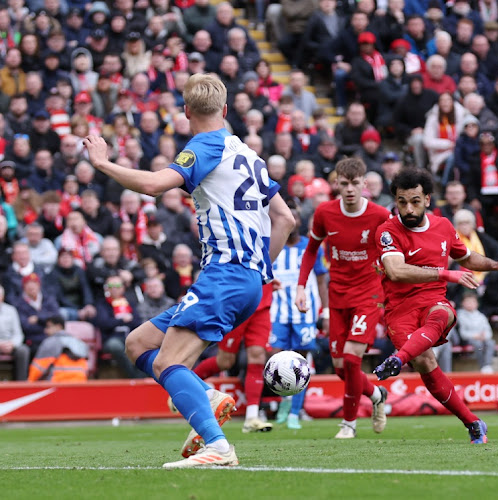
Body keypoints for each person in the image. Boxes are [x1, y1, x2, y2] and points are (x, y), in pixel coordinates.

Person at [82, 74, 296, 468]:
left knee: (166, 363)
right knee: (138, 344)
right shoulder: (247, 152)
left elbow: (153, 185)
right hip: (243, 277)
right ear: (226, 110)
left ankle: (218, 447)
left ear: (185, 112)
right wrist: (260, 269)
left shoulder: (204, 147)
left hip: (225, 275)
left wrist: (102, 162)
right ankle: (207, 396)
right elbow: (284, 218)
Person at [373, 168, 498, 444]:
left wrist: (494, 265)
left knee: (444, 312)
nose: (408, 208)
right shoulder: (387, 231)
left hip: (432, 301)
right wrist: (443, 273)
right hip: (399, 309)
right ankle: (473, 422)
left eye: (415, 201)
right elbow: (395, 271)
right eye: (402, 201)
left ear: (428, 199)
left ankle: (396, 360)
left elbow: (465, 257)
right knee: (426, 361)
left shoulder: (443, 226)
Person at [294, 158, 390, 439]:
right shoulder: (325, 213)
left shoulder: (380, 215)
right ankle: (375, 394)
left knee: (351, 359)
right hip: (337, 295)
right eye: (344, 184)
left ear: (365, 184)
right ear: (336, 184)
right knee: (340, 368)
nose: (350, 189)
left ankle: (348, 424)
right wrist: (301, 287)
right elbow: (311, 250)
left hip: (368, 294)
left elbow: (398, 250)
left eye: (355, 183)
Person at [189, 284, 276, 435]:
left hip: (262, 303)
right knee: (225, 361)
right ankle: (185, 384)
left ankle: (252, 417)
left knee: (257, 355)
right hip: (236, 304)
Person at [271, 205, 328, 430]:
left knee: (300, 362)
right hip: (278, 312)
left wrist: (327, 311)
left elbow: (322, 281)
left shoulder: (310, 248)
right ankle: (284, 402)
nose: (292, 220)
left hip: (305, 314)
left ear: (299, 221)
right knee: (276, 359)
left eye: (295, 216)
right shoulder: (272, 245)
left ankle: (295, 410)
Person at [27, 315, 89, 383]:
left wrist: (29, 384)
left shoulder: (50, 342)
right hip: (80, 383)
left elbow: (37, 370)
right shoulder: (79, 342)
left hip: (58, 385)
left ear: (58, 326)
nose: (45, 330)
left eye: (48, 327)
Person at [0, 284, 30, 381]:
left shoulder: (11, 310)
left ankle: (21, 383)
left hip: (10, 344)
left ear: (3, 297)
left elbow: (18, 333)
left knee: (23, 350)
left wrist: (12, 344)